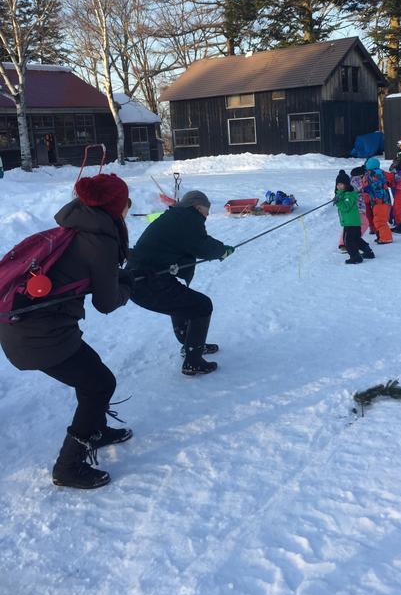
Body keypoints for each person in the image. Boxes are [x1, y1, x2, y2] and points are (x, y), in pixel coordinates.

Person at [0, 173, 134, 490]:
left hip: (29, 326)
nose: (129, 207)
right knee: (100, 383)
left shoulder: (77, 225)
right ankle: (68, 467)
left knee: (92, 374)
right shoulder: (99, 240)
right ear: (114, 206)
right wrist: (126, 285)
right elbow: (107, 302)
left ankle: (96, 429)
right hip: (36, 334)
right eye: (125, 201)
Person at [127, 190, 235, 377]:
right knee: (201, 305)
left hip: (141, 279)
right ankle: (193, 362)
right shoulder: (188, 219)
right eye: (206, 212)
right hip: (145, 281)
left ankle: (192, 345)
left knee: (183, 303)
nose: (206, 217)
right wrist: (222, 251)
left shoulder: (176, 216)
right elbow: (202, 245)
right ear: (196, 206)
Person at [334, 172, 375, 264]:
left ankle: (355, 257)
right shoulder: (343, 194)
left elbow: (345, 207)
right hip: (350, 222)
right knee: (356, 239)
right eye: (338, 184)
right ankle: (368, 252)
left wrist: (338, 202)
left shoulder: (350, 194)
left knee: (348, 241)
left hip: (352, 222)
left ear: (347, 185)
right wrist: (338, 197)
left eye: (342, 184)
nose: (339, 186)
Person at [362, 157, 393, 244]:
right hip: (385, 201)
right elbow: (391, 179)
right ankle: (381, 236)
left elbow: (368, 186)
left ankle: (386, 238)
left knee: (379, 220)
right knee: (380, 219)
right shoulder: (382, 172)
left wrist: (364, 189)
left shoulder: (369, 174)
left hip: (379, 202)